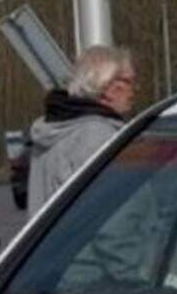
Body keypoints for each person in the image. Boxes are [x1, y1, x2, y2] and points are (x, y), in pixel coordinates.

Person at [21, 45, 137, 214]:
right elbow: (113, 215)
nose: (135, 90)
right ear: (108, 85)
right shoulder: (98, 136)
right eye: (130, 82)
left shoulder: (49, 131)